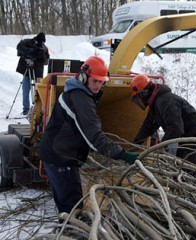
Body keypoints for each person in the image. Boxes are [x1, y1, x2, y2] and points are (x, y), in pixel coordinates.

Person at [39, 56, 139, 214]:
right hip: (60, 158)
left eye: (101, 82)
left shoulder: (78, 93)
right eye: (95, 81)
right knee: (73, 207)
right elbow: (94, 137)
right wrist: (123, 154)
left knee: (66, 204)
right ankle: (70, 232)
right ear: (84, 77)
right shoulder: (80, 98)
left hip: (56, 154)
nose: (98, 86)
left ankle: (66, 227)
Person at [130, 74, 196, 177]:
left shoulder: (165, 101)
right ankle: (179, 187)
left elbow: (176, 128)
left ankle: (190, 190)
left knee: (187, 171)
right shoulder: (155, 103)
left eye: (138, 98)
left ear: (143, 94)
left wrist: (161, 148)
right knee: (178, 168)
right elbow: (148, 126)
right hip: (185, 136)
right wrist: (135, 144)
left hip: (195, 134)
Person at [16, 32, 49, 115]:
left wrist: (41, 57)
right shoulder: (28, 42)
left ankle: (38, 110)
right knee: (26, 89)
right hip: (27, 71)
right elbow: (19, 47)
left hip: (38, 72)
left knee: (39, 91)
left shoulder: (44, 48)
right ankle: (26, 109)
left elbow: (46, 62)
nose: (39, 43)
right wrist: (29, 52)